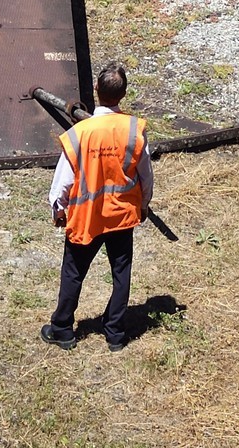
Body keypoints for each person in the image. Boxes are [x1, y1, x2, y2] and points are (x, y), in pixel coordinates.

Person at [41, 63, 153, 353]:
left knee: (74, 272)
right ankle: (115, 332)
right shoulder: (133, 130)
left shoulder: (81, 133)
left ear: (96, 91)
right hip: (121, 215)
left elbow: (63, 182)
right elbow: (145, 175)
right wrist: (142, 205)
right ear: (124, 94)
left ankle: (63, 329)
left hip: (88, 218)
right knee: (121, 272)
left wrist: (58, 210)